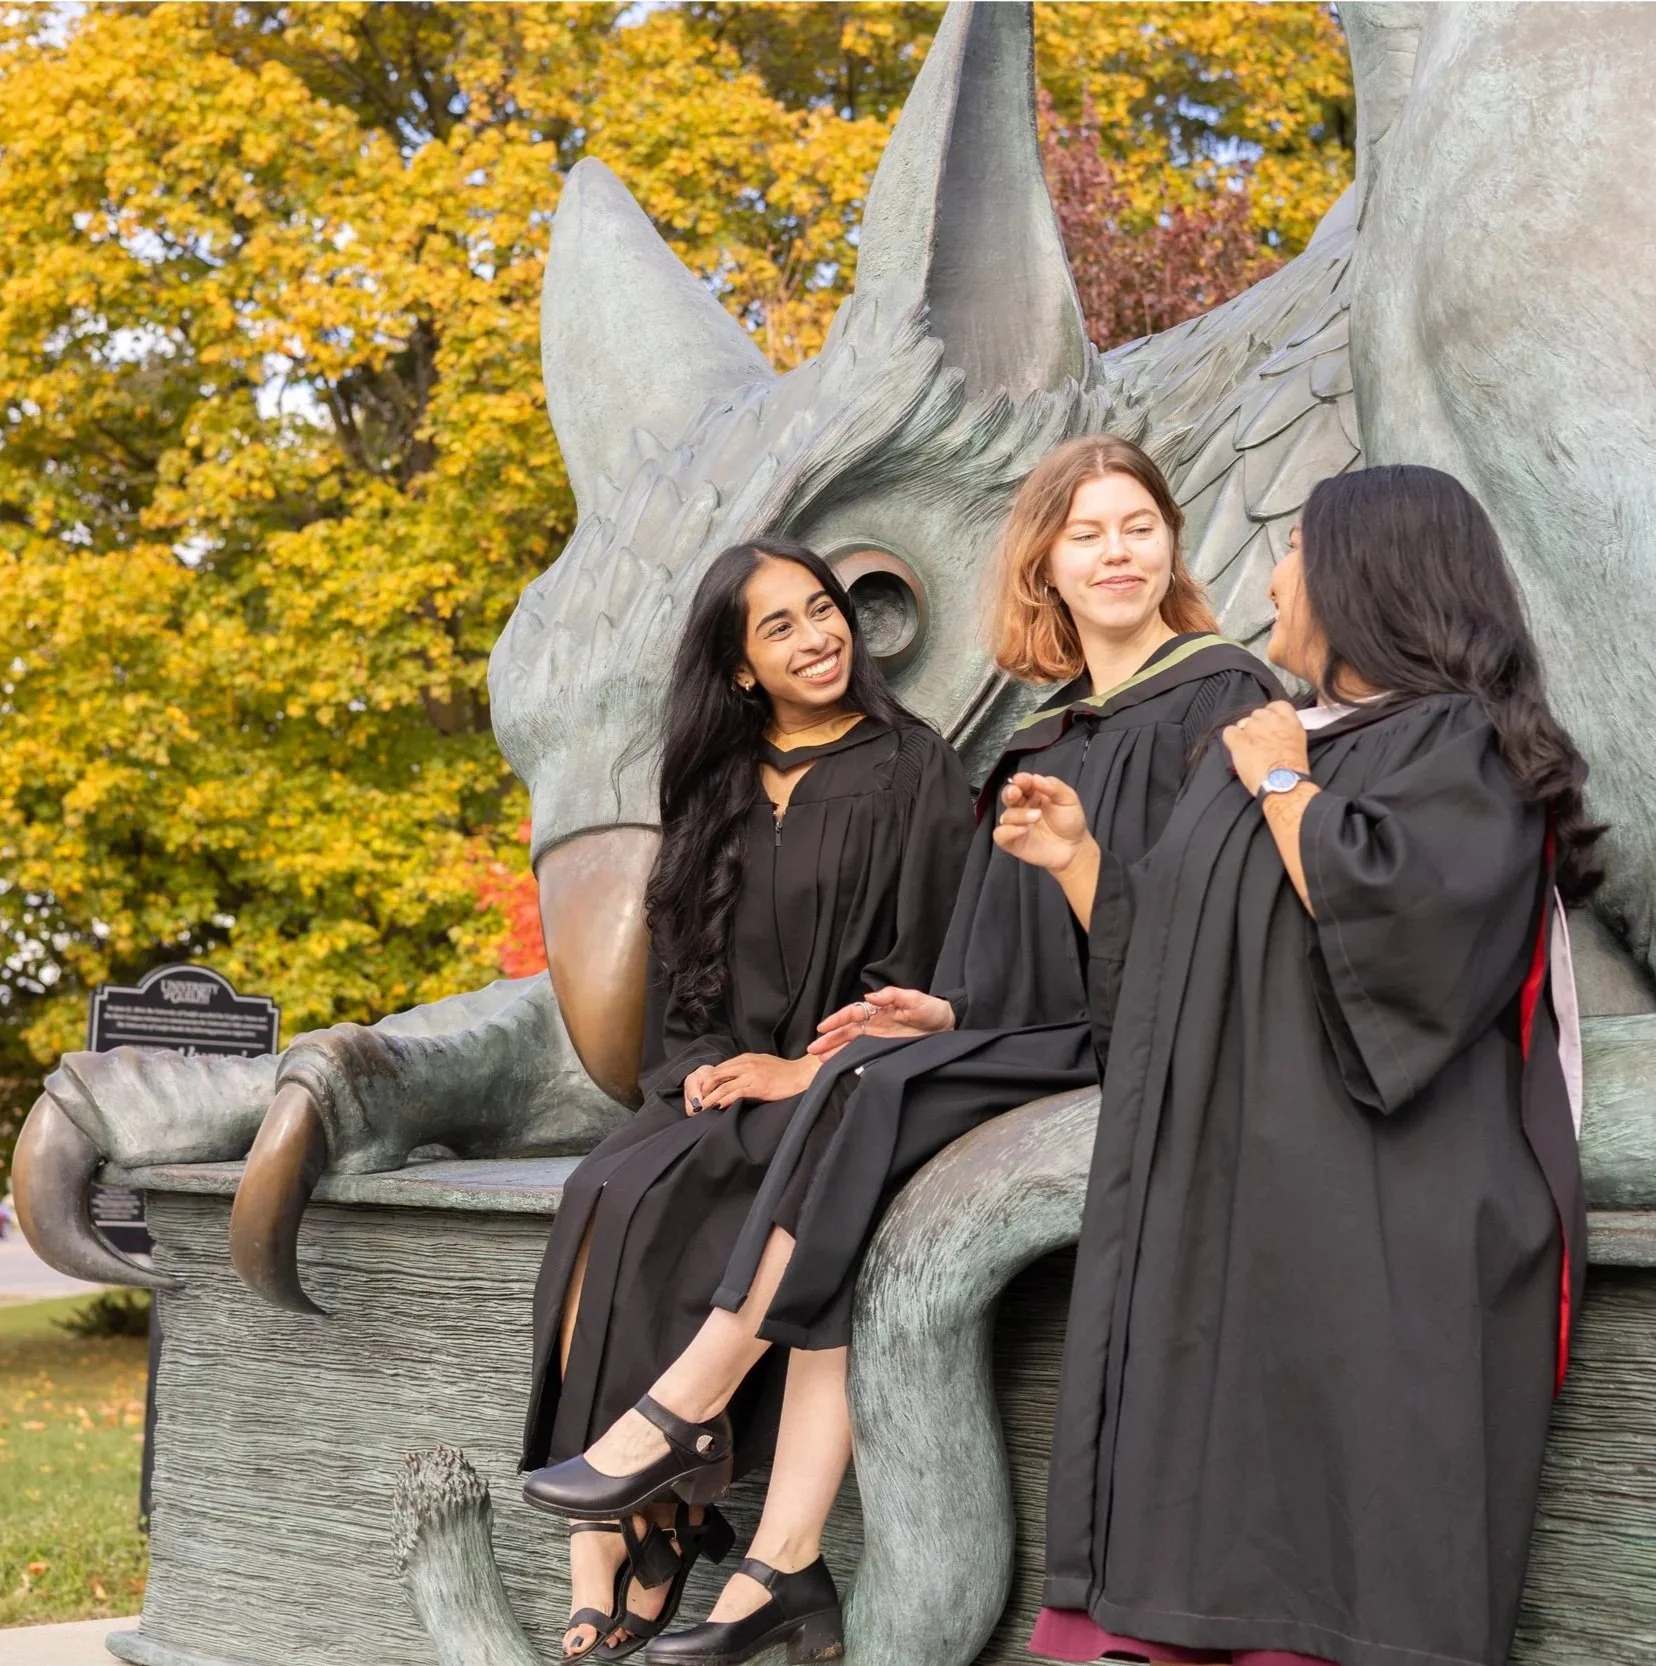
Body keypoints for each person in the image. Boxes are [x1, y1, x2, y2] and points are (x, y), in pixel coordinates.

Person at [528, 434, 1278, 1666]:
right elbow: (1004, 967)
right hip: (1044, 1036)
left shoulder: (1222, 698)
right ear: (1043, 561)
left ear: (1172, 542)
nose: (1115, 553)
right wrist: (942, 1013)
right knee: (861, 1084)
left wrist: (1079, 867)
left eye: (1136, 526)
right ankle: (771, 1560)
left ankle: (691, 1402)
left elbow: (1214, 945)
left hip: (1166, 1049)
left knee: (852, 1093)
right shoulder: (1049, 734)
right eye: (1085, 533)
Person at [1001, 464, 1597, 1666]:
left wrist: (1283, 781)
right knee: (1181, 1540)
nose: (1269, 576)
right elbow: (1184, 968)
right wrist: (1080, 865)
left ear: (1363, 578)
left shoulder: (1457, 744)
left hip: (1382, 1227)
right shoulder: (1276, 742)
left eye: (1292, 549)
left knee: (1331, 1557)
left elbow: (1409, 939)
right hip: (1235, 1212)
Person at [519, 538, 973, 1663]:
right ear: (737, 667)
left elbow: (932, 972)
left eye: (823, 611)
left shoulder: (912, 769)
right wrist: (704, 1069)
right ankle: (623, 1531)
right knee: (604, 1185)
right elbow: (682, 977)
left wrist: (798, 1070)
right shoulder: (714, 786)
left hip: (843, 1084)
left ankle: (648, 1519)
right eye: (780, 626)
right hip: (725, 1078)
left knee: (699, 1181)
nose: (818, 636)